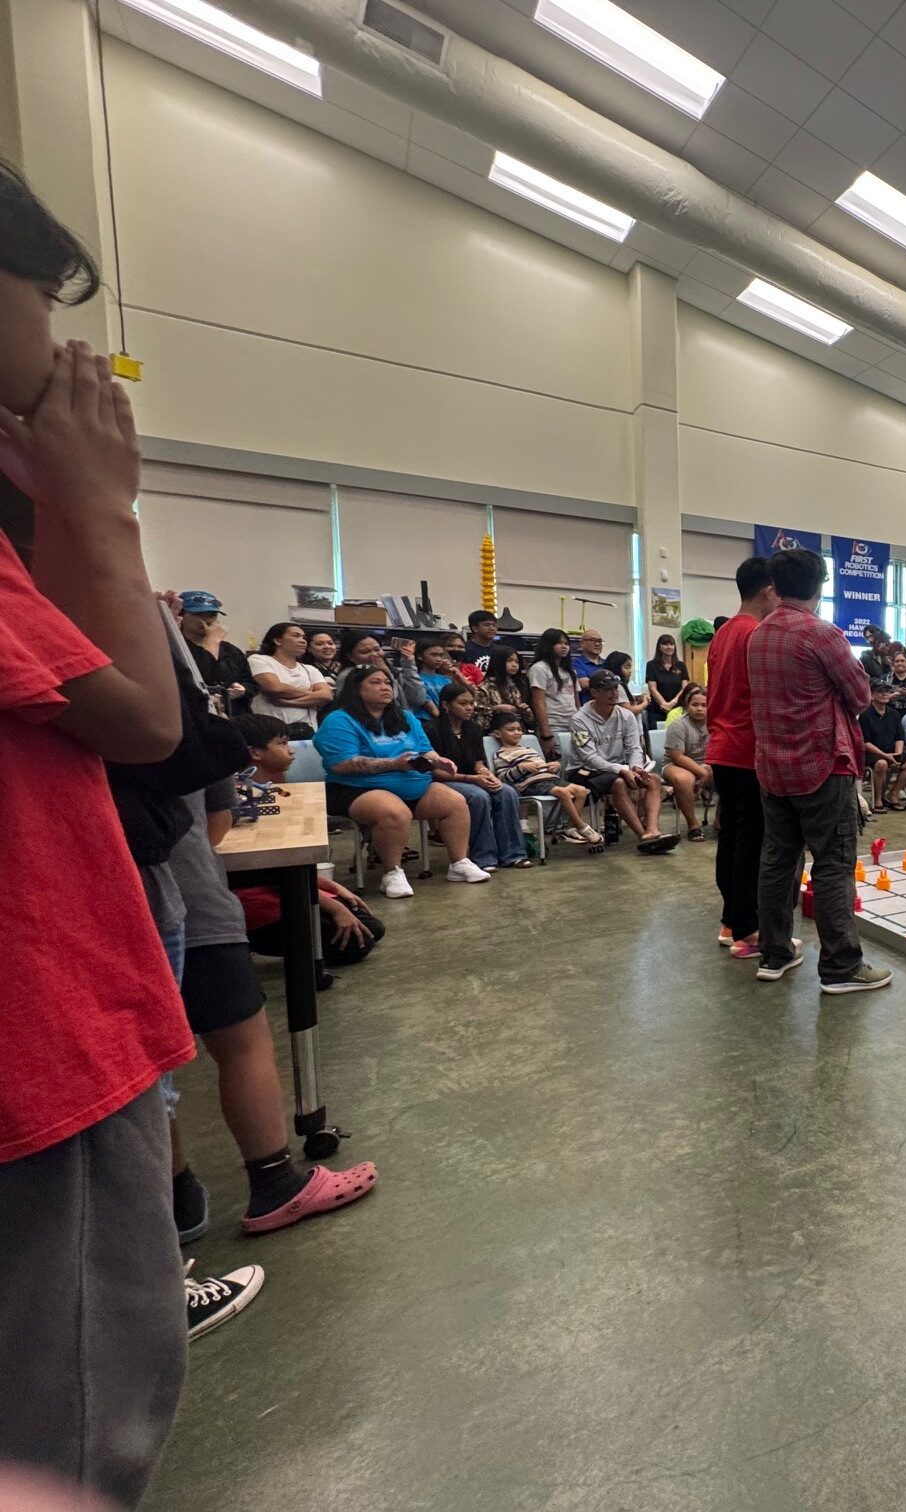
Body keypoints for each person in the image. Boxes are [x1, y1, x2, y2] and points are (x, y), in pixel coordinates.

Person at [0, 169, 196, 1504]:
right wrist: (95, 497)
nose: (67, 341)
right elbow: (142, 718)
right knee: (69, 1432)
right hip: (36, 1039)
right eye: (40, 295)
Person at [167, 780, 378, 1246]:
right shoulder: (180, 728)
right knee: (243, 1044)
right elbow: (218, 825)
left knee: (147, 1068)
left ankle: (174, 1198)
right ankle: (273, 1181)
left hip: (108, 905)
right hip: (190, 899)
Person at [749, 547, 890, 994]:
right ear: (820, 585)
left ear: (775, 585)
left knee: (777, 861)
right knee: (832, 864)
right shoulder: (822, 635)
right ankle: (841, 967)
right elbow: (861, 695)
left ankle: (774, 953)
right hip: (821, 767)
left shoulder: (758, 635)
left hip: (772, 767)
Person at [313, 667, 489, 896]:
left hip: (412, 780)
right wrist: (392, 764)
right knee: (395, 813)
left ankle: (459, 863)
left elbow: (425, 750)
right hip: (357, 787)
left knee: (455, 802)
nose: (385, 687)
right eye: (376, 682)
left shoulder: (405, 717)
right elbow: (342, 763)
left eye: (387, 682)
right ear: (356, 690)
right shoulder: (339, 720)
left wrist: (438, 760)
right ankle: (392, 873)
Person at [230, 715, 390, 966]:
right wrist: (332, 905)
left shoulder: (272, 787)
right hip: (256, 895)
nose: (291, 750)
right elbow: (266, 872)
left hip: (280, 881)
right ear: (255, 753)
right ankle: (255, 943)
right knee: (357, 942)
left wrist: (333, 888)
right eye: (282, 744)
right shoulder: (236, 798)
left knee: (369, 926)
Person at [707, 556, 779, 956]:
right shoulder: (754, 633)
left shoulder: (724, 632)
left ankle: (731, 921)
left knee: (733, 839)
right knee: (752, 843)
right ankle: (749, 932)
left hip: (722, 747)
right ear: (768, 589)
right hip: (746, 749)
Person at [428, 681, 532, 870]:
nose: (470, 708)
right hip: (444, 781)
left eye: (471, 703)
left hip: (471, 779)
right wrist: (472, 779)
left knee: (506, 792)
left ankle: (513, 854)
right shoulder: (432, 729)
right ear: (445, 705)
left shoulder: (473, 729)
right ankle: (483, 857)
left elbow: (478, 762)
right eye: (463, 703)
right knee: (479, 797)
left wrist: (486, 775)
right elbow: (436, 772)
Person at [571, 669, 677, 853]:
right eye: (607, 689)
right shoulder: (579, 720)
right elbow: (589, 757)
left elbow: (634, 747)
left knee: (651, 779)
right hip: (585, 771)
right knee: (619, 783)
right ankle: (642, 835)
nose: (614, 693)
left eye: (615, 688)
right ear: (594, 692)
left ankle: (652, 829)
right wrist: (622, 770)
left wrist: (636, 767)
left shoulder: (626, 715)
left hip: (621, 768)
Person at [490, 712, 602, 847]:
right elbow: (503, 777)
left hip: (549, 779)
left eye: (519, 729)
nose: (517, 733)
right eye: (511, 730)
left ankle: (570, 828)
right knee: (563, 792)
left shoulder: (529, 749)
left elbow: (543, 765)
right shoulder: (501, 753)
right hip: (531, 783)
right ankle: (582, 826)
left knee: (581, 790)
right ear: (497, 734)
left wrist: (554, 766)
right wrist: (522, 767)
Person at [174, 590, 252, 715]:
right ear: (181, 616)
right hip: (200, 716)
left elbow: (251, 682)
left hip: (235, 715)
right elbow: (200, 676)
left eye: (212, 615)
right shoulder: (176, 648)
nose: (207, 621)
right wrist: (213, 641)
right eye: (198, 615)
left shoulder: (231, 651)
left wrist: (243, 689)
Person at [246, 621, 332, 732]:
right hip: (270, 732)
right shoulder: (259, 659)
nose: (303, 641)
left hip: (307, 732)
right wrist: (313, 695)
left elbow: (326, 695)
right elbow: (275, 688)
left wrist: (289, 702)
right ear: (277, 640)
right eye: (296, 636)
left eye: (304, 637)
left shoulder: (310, 669)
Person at [660, 685, 714, 841]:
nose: (699, 709)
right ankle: (693, 825)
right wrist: (702, 771)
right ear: (686, 706)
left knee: (733, 774)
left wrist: (709, 766)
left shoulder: (715, 722)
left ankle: (720, 822)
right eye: (695, 705)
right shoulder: (678, 725)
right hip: (676, 764)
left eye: (704, 705)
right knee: (684, 780)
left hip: (708, 762)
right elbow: (677, 756)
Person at [333, 628, 427, 715]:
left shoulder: (392, 669)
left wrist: (408, 664)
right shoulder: (348, 675)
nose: (374, 655)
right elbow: (387, 701)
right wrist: (386, 674)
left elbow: (417, 699)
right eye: (365, 652)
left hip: (401, 722)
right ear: (350, 656)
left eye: (377, 649)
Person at [859, 681, 906, 812]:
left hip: (892, 751)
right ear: (872, 695)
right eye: (880, 691)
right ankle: (878, 799)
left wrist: (897, 754)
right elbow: (865, 742)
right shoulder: (865, 716)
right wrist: (886, 756)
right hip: (873, 754)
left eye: (887, 691)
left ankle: (893, 794)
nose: (885, 694)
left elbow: (899, 737)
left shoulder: (894, 714)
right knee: (881, 764)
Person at [528, 628, 578, 759]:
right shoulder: (539, 668)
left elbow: (576, 701)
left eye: (567, 644)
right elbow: (538, 703)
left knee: (579, 761)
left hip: (574, 725)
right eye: (559, 643)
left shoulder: (570, 671)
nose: (564, 647)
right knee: (559, 763)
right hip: (553, 726)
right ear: (548, 645)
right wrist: (546, 734)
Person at [475, 647, 537, 733]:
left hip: (519, 732)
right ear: (499, 661)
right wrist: (495, 709)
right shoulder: (485, 686)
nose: (514, 665)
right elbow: (477, 716)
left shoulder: (521, 685)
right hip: (494, 733)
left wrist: (526, 711)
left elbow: (531, 721)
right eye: (509, 661)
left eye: (517, 661)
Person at [642, 633, 689, 730]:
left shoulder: (681, 665)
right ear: (659, 647)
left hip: (677, 709)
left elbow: (684, 687)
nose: (669, 647)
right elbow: (652, 688)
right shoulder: (651, 665)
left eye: (671, 644)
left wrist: (673, 703)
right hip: (657, 710)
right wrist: (664, 704)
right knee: (657, 740)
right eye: (665, 644)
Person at [599, 649, 648, 716]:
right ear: (616, 668)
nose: (630, 671)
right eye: (627, 667)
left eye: (630, 668)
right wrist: (645, 703)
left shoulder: (623, 685)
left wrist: (639, 701)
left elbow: (630, 706)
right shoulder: (617, 687)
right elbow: (630, 711)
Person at [416, 642, 459, 713]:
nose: (439, 659)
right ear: (420, 656)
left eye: (441, 655)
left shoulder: (446, 679)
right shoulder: (416, 679)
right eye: (433, 655)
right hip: (425, 720)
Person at [461, 609, 502, 678]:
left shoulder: (500, 650)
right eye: (487, 625)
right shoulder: (464, 648)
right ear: (475, 628)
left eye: (494, 625)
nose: (492, 628)